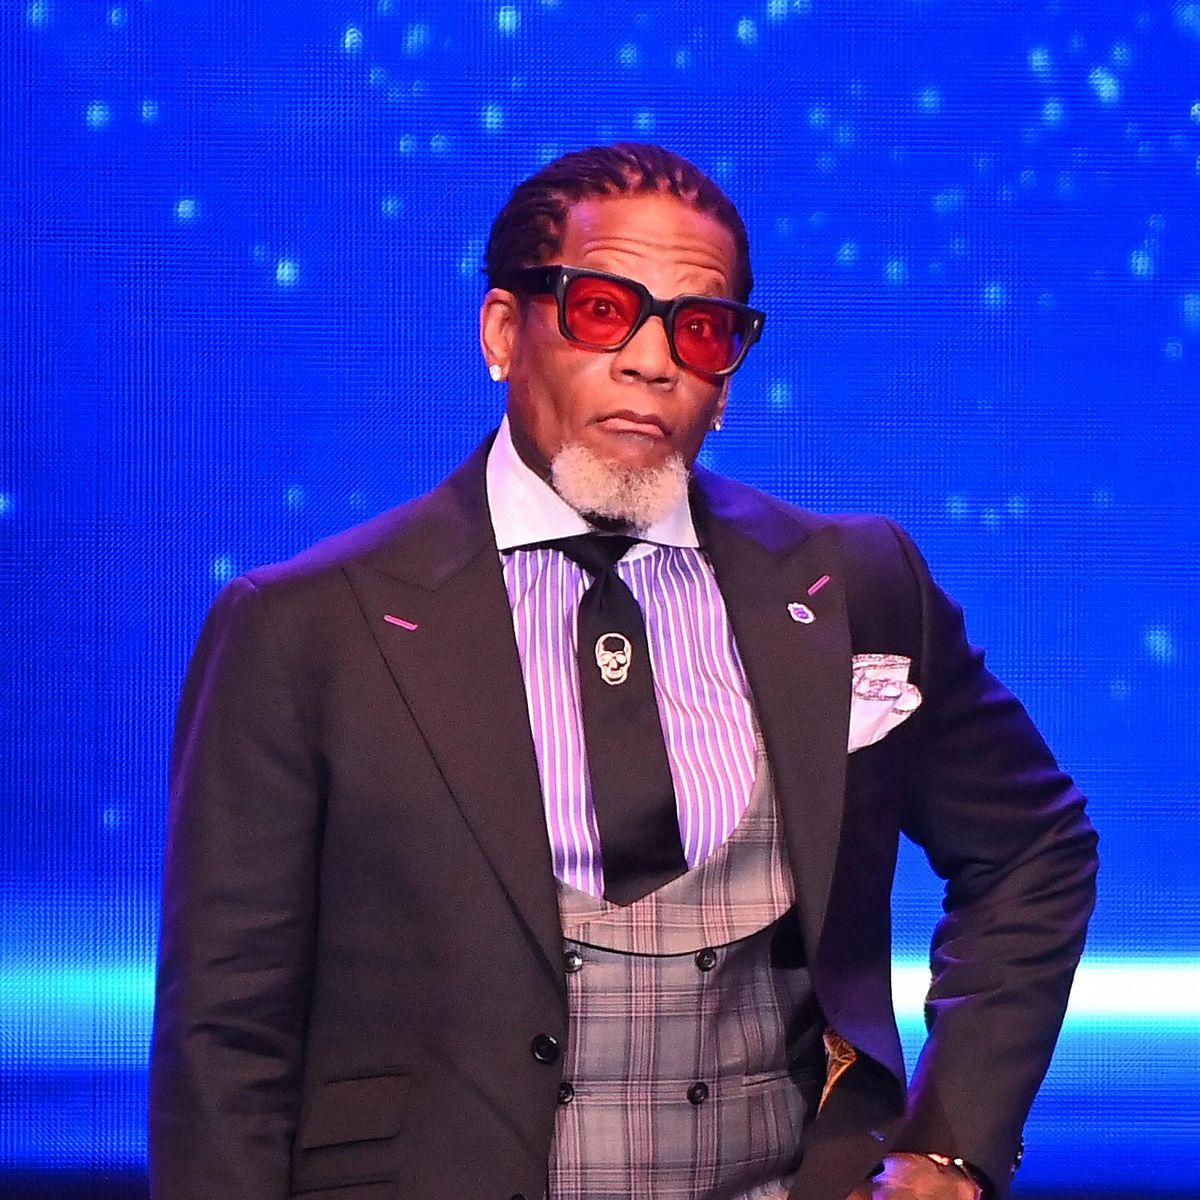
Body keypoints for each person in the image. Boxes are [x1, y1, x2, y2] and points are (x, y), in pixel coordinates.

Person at [149, 144, 1098, 1200]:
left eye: (701, 329)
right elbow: (226, 1028)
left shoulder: (854, 583)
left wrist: (952, 1143)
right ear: (503, 332)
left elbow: (1034, 848)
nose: (654, 362)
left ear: (726, 381)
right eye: (604, 311)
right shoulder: (308, 627)